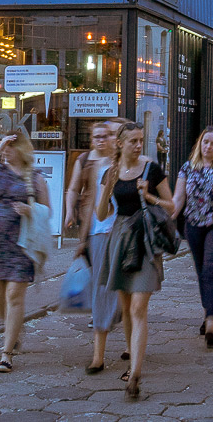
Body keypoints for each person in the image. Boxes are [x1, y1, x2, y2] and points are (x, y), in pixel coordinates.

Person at [95, 122, 174, 399]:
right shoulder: (111, 172)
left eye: (141, 140)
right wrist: (108, 186)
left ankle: (136, 374)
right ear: (120, 144)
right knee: (126, 306)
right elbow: (102, 214)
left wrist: (149, 195)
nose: (139, 145)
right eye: (133, 141)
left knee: (139, 306)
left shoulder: (151, 169)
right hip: (120, 237)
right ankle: (132, 363)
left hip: (145, 240)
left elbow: (172, 205)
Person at [0, 133, 49, 373]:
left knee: (14, 296)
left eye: (11, 147)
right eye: (5, 147)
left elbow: (49, 212)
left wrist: (31, 210)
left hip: (22, 245)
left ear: (22, 150)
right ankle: (13, 328)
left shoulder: (36, 179)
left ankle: (6, 354)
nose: (7, 151)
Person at [66, 119, 130, 375]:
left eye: (111, 135)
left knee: (127, 297)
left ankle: (131, 347)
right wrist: (75, 220)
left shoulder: (136, 165)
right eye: (101, 135)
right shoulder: (90, 164)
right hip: (99, 233)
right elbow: (89, 201)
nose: (105, 140)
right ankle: (98, 356)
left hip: (126, 235)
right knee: (102, 292)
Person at [173, 126, 213, 349]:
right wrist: (167, 217)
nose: (209, 147)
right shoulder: (187, 167)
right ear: (199, 143)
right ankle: (207, 312)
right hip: (192, 224)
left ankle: (212, 322)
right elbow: (178, 198)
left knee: (211, 269)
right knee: (202, 271)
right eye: (206, 142)